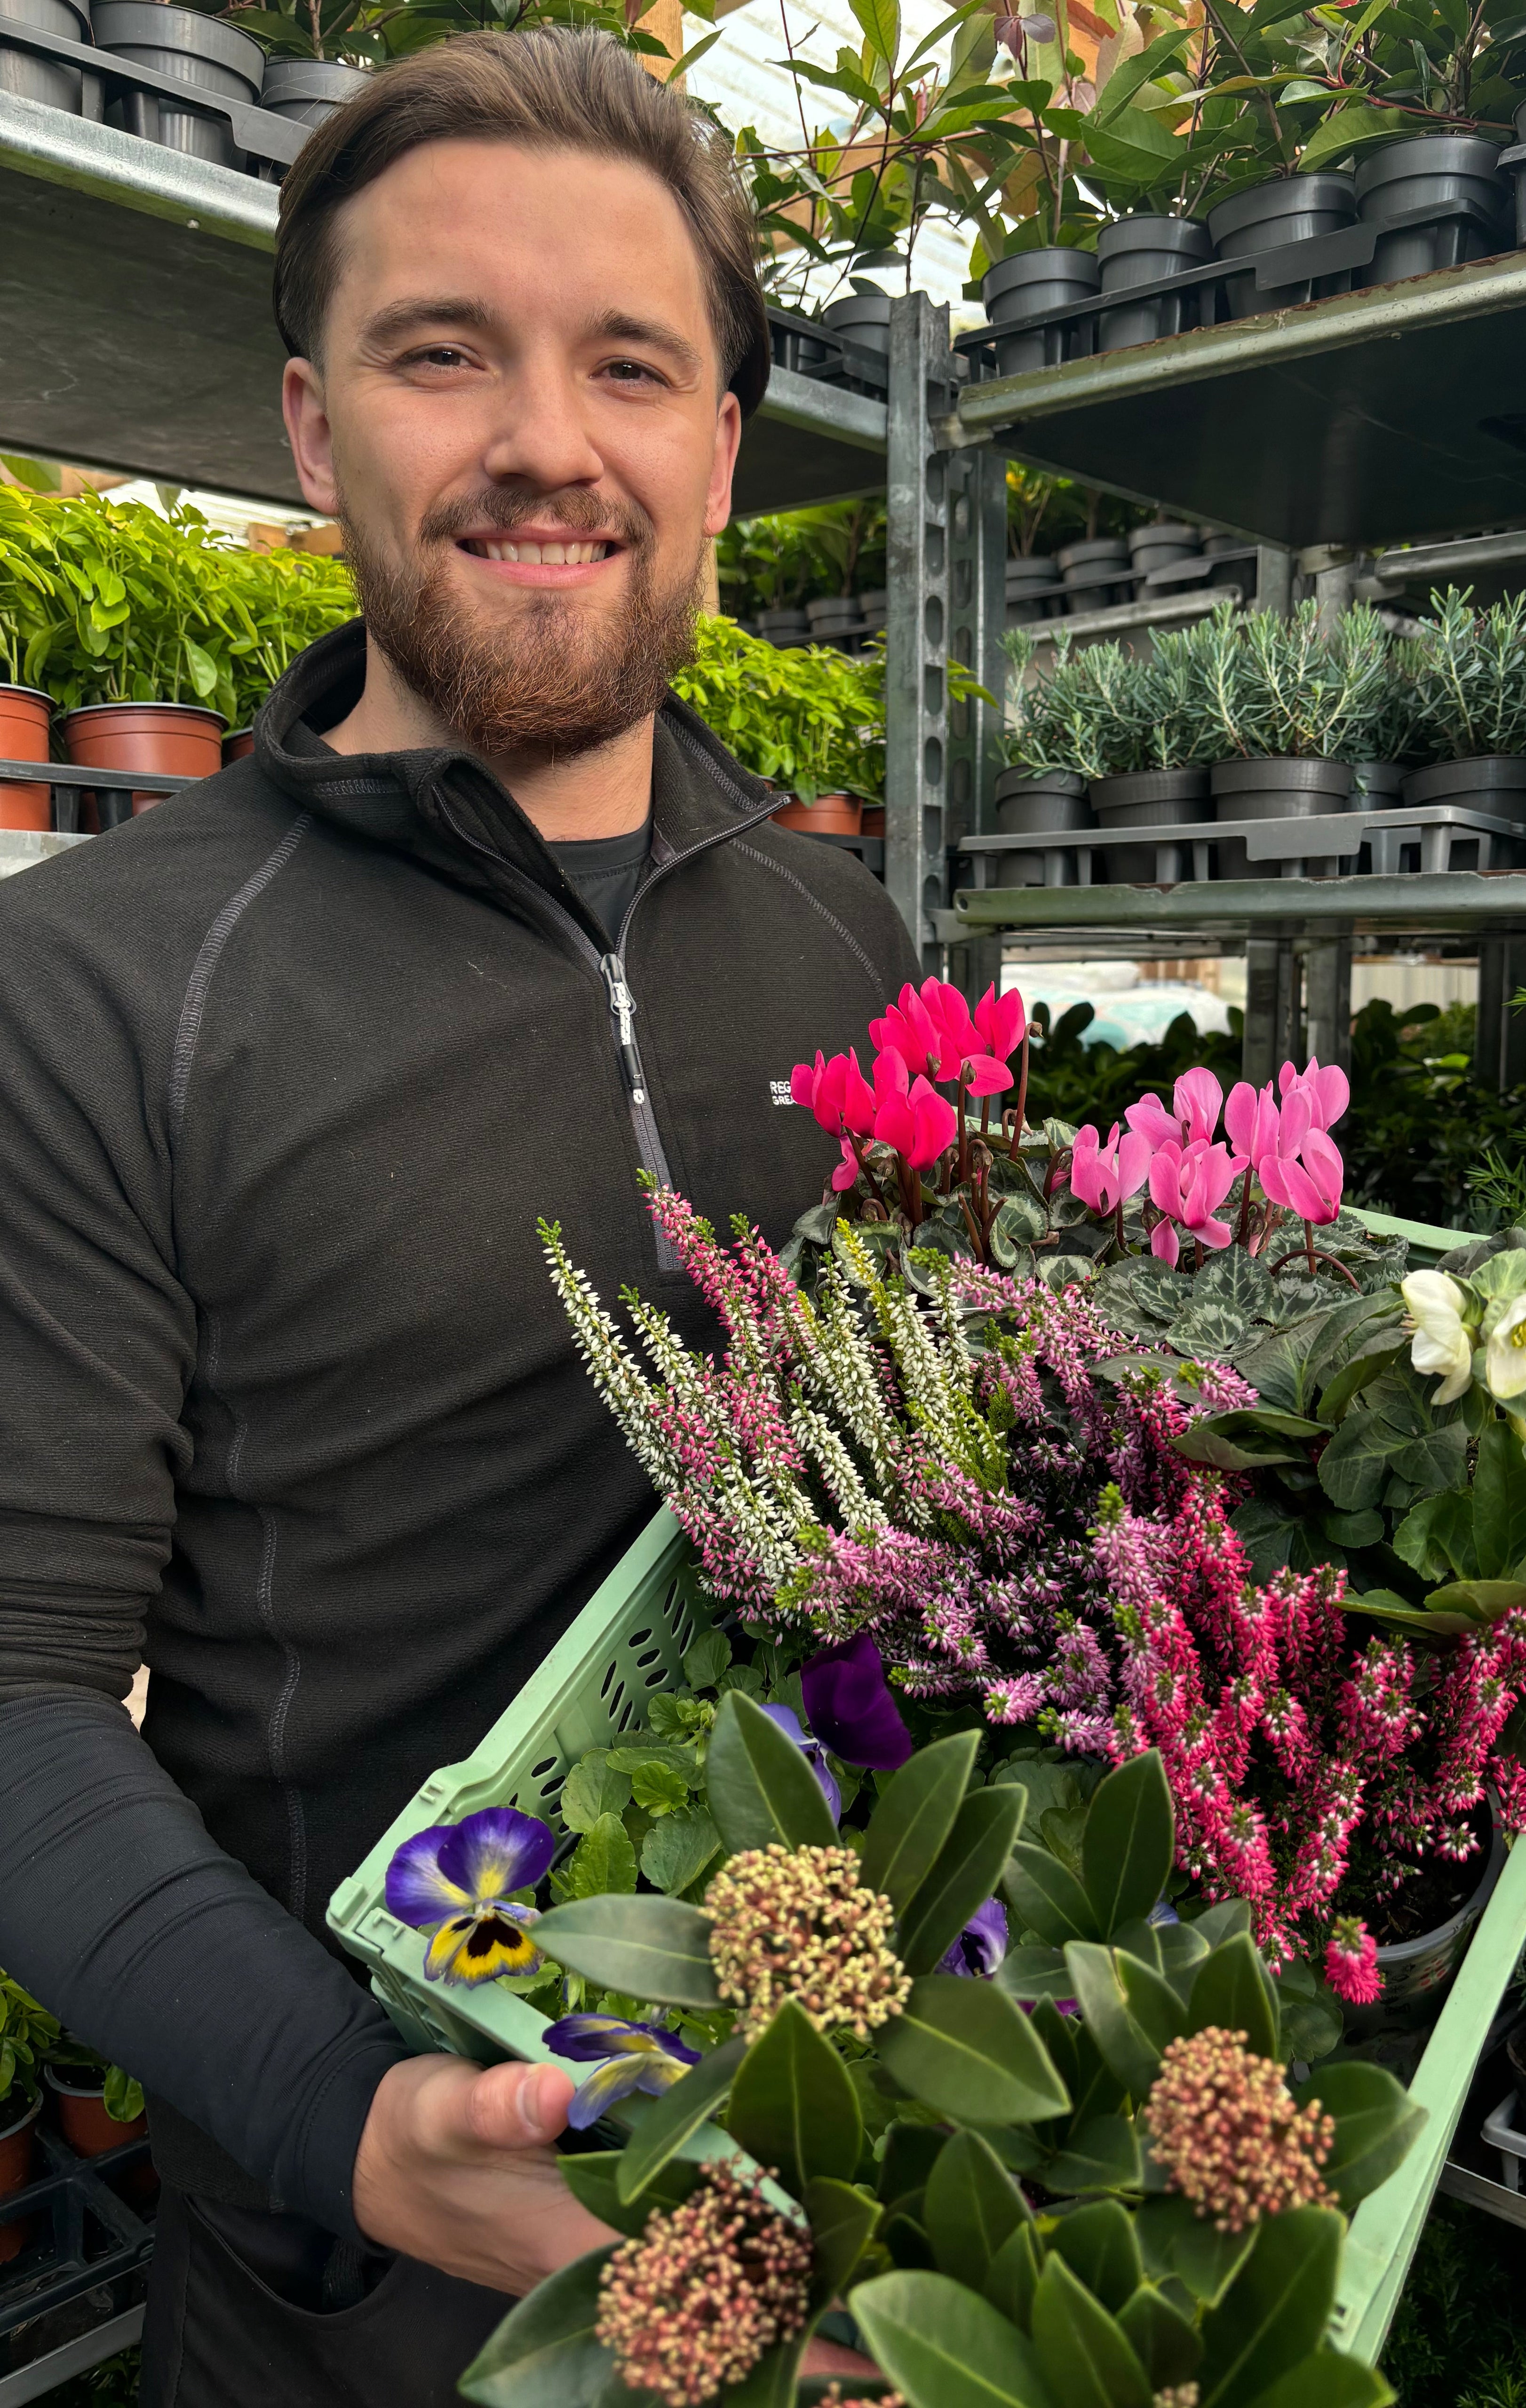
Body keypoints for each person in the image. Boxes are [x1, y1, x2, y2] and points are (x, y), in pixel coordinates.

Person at [0, 31, 911, 2404]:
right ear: (316, 426)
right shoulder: (97, 992)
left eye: (629, 363)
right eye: (443, 352)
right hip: (366, 2283)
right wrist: (357, 2120)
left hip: (875, 2169)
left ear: (718, 446)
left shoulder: (851, 951)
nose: (543, 439)